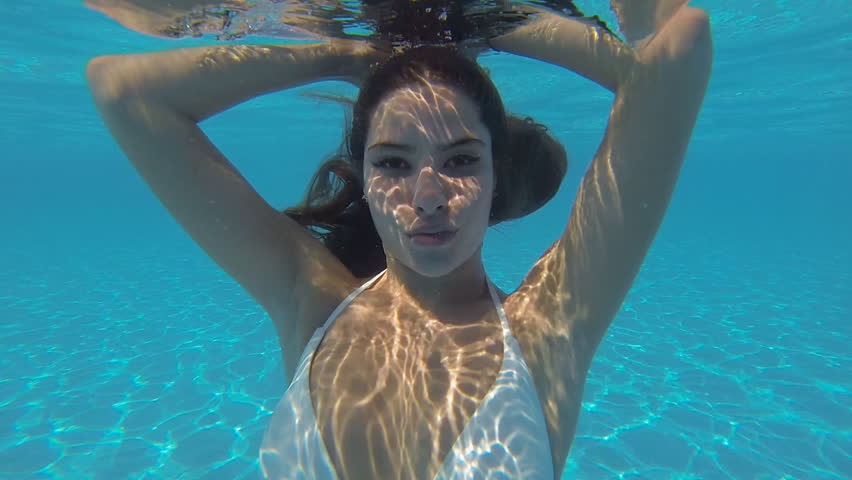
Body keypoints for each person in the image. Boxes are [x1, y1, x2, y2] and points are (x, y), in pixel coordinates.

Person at [86, 1, 712, 478]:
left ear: (496, 176)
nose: (429, 194)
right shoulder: (311, 300)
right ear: (364, 177)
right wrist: (341, 55)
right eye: (393, 162)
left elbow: (679, 51)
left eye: (461, 160)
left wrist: (502, 20)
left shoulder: (549, 328)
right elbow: (123, 90)